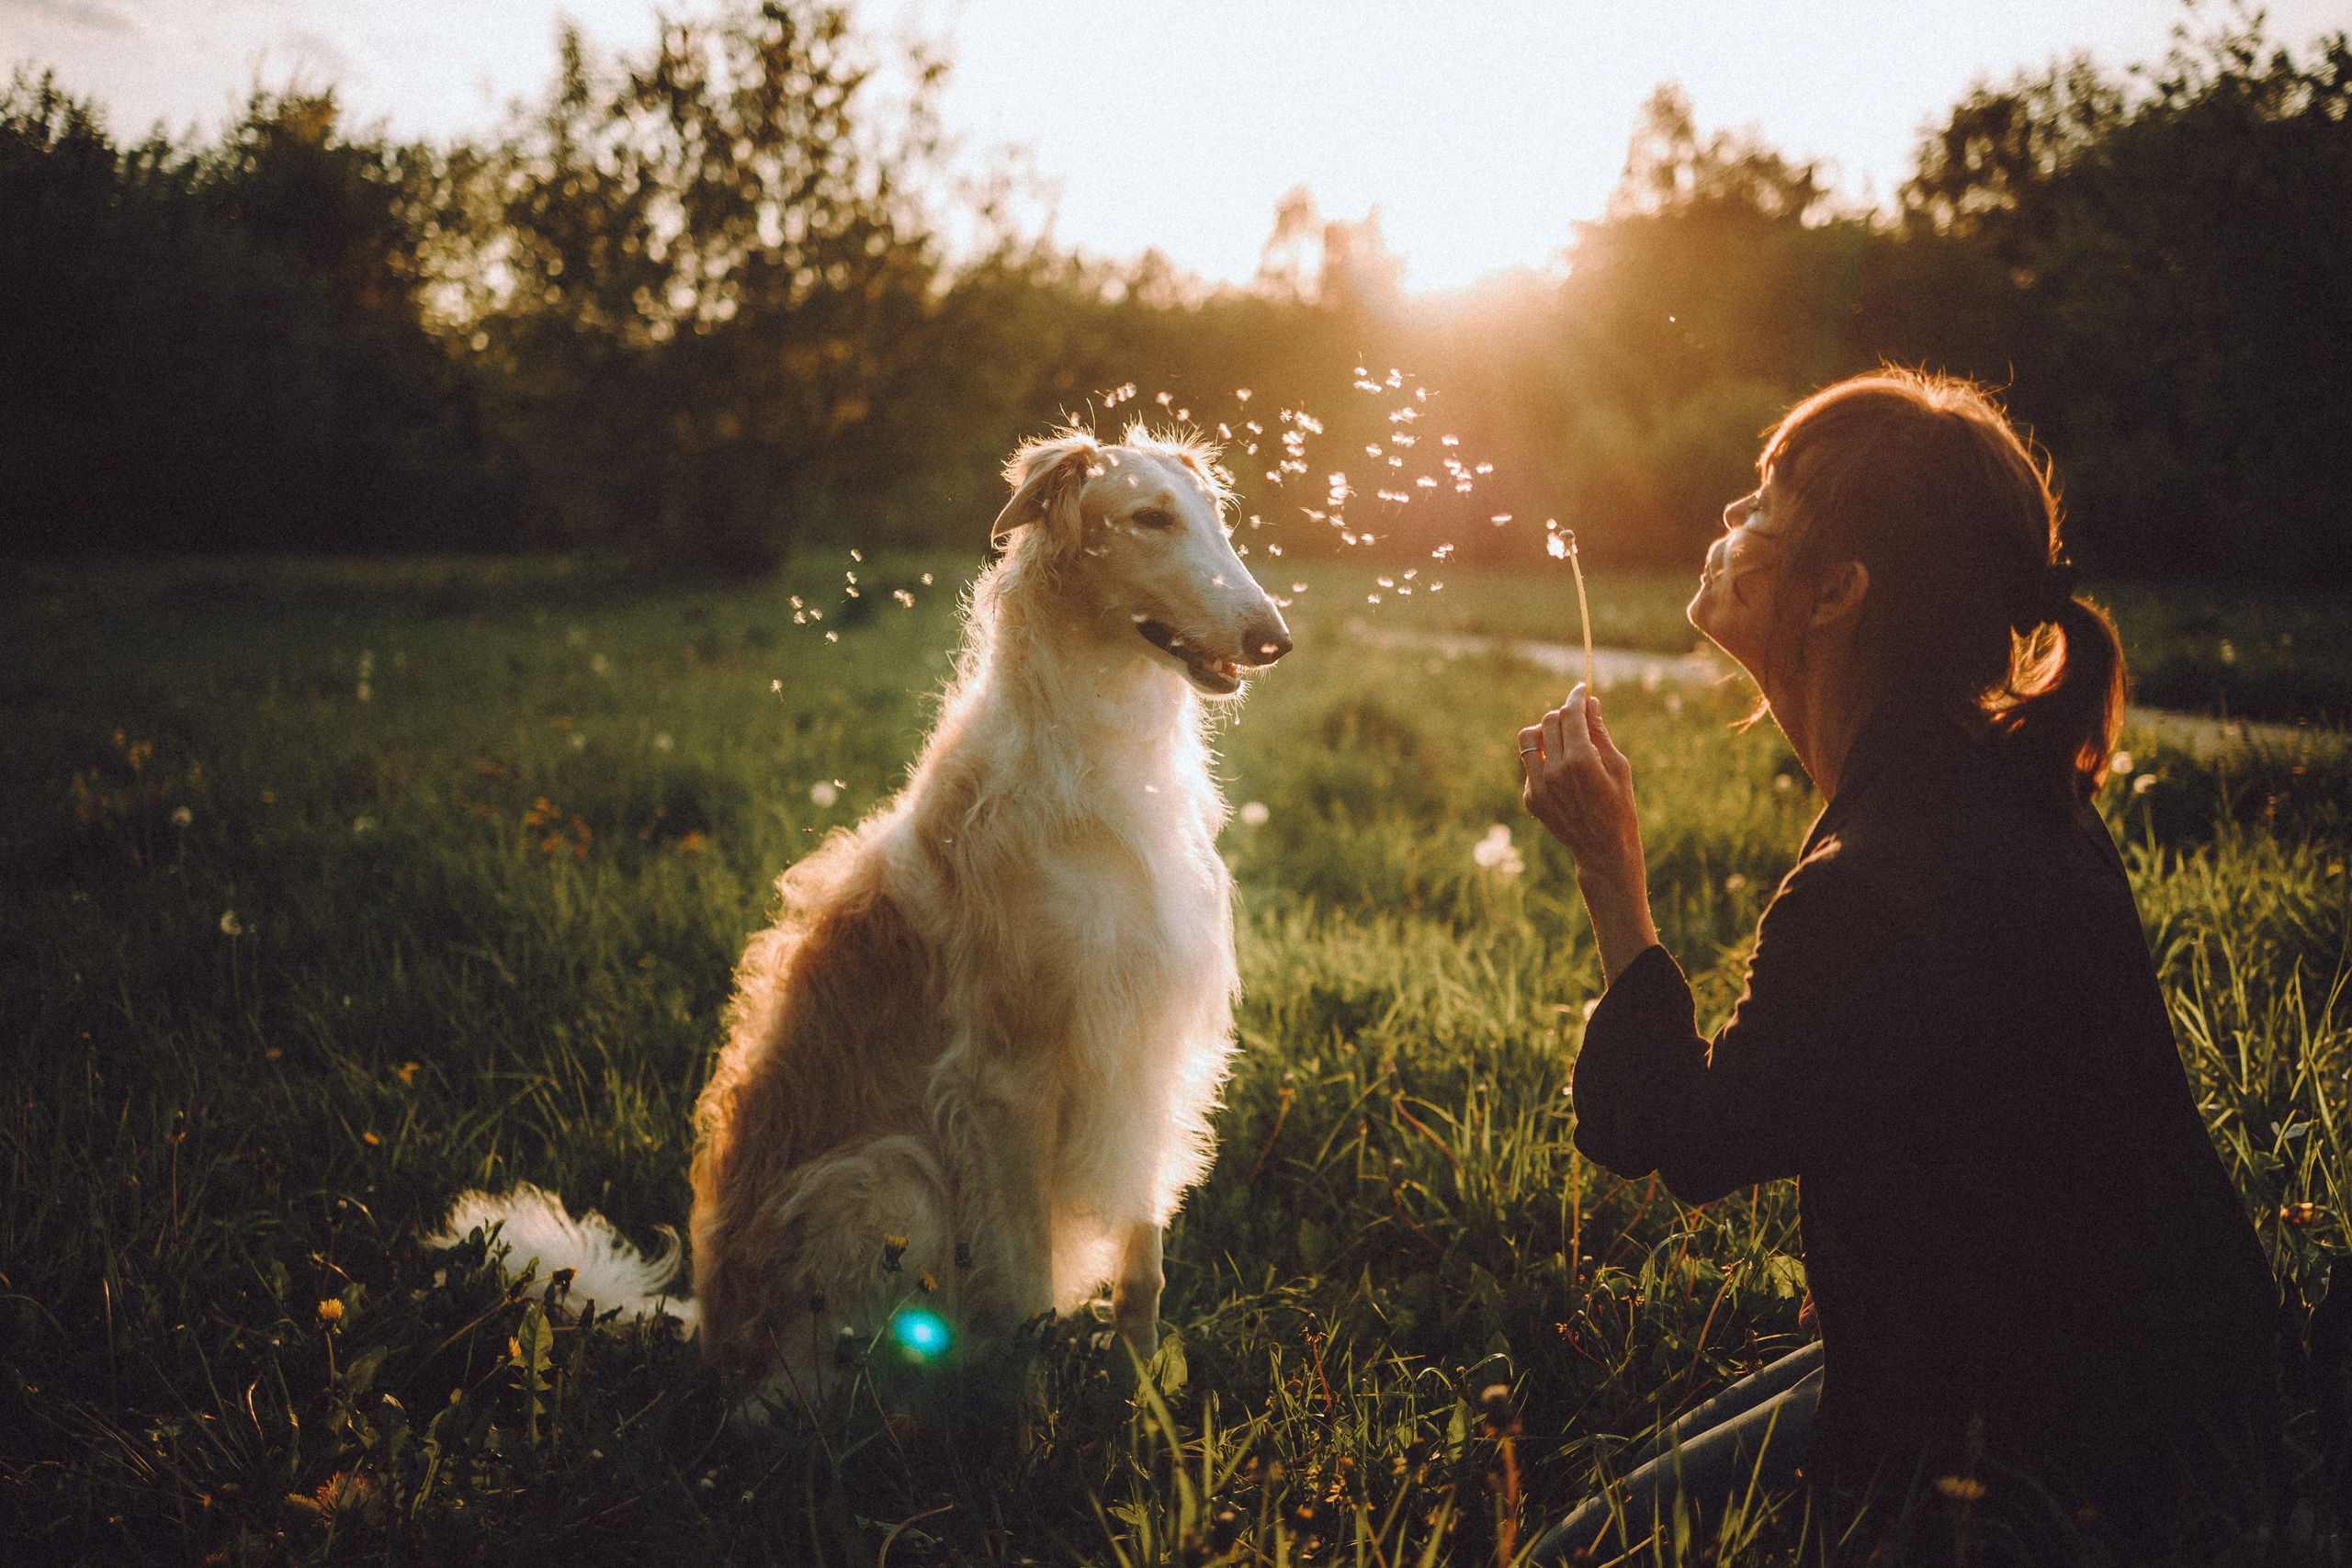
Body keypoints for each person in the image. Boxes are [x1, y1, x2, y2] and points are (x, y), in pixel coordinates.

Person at [1519, 372, 2278, 1556]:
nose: (1730, 517)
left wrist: (1613, 872)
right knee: (1632, 1492)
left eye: (1766, 505)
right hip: (2141, 1372)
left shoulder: (1879, 877)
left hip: (2039, 1446)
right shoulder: (2003, 791)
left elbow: (1677, 1136)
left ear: (1838, 592)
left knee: (1582, 1553)